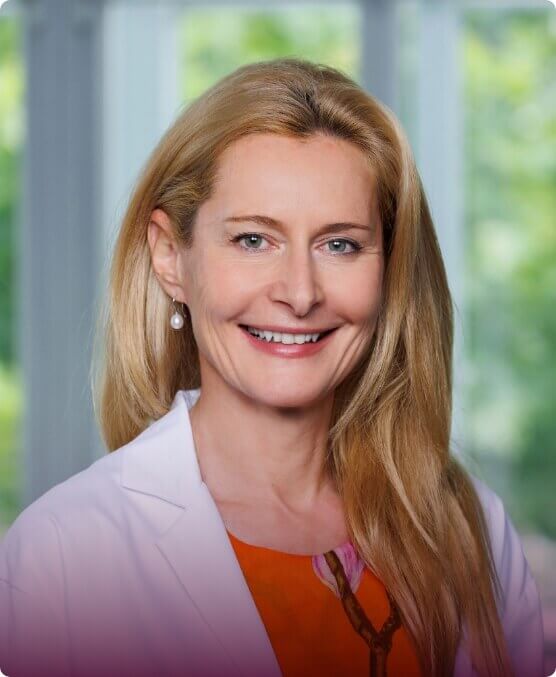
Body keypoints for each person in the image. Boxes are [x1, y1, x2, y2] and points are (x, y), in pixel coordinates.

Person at [0, 58, 545, 677]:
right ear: (170, 257)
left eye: (340, 244)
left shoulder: (469, 529)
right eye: (254, 240)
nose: (300, 293)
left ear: (388, 271)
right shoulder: (62, 556)